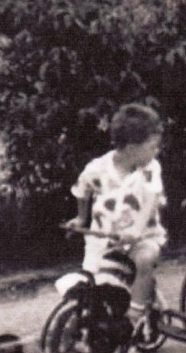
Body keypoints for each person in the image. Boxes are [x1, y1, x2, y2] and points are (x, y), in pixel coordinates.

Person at [67, 103, 167, 323]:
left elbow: (151, 198)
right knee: (91, 279)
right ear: (132, 148)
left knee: (145, 259)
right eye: (152, 147)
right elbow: (82, 189)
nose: (156, 151)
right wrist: (81, 217)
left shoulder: (150, 169)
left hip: (141, 236)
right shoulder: (98, 168)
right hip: (105, 237)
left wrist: (137, 229)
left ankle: (136, 311)